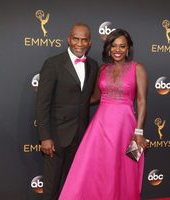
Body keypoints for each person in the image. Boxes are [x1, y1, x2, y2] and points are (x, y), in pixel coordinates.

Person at [58, 28, 148, 200]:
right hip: (100, 125)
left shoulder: (138, 69)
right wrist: (68, 100)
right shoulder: (102, 69)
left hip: (125, 125)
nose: (117, 50)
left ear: (128, 48)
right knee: (96, 167)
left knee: (124, 168)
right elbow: (93, 98)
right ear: (108, 48)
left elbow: (142, 101)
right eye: (114, 46)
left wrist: (139, 131)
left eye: (122, 46)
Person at [36, 23, 98, 200]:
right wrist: (45, 137)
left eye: (84, 39)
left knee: (75, 186)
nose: (80, 43)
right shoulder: (53, 64)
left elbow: (88, 97)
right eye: (76, 39)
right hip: (56, 136)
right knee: (51, 188)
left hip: (80, 137)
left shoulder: (93, 65)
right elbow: (42, 104)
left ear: (90, 42)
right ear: (69, 39)